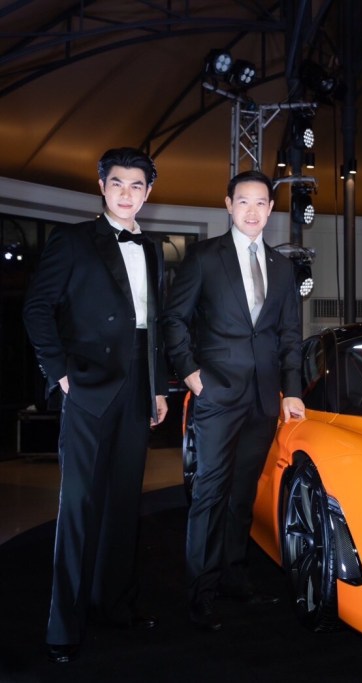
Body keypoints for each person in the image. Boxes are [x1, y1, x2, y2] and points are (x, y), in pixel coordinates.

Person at [23, 147, 169, 664]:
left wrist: (157, 387)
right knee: (79, 507)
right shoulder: (73, 240)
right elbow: (36, 309)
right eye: (118, 184)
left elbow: (152, 327)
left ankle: (116, 606)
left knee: (125, 504)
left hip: (137, 388)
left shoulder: (153, 248)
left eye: (137, 186)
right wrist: (59, 372)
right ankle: (64, 626)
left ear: (148, 193)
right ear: (102, 187)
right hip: (87, 386)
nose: (127, 194)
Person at [161, 169, 305, 631]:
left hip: (264, 399)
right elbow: (174, 319)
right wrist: (189, 372)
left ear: (271, 209)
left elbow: (290, 334)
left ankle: (234, 577)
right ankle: (200, 591)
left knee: (242, 494)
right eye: (244, 201)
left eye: (261, 202)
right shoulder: (205, 257)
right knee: (209, 492)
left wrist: (293, 389)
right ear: (228, 205)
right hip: (217, 393)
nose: (252, 211)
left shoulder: (283, 268)